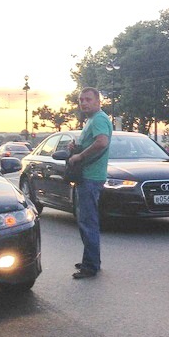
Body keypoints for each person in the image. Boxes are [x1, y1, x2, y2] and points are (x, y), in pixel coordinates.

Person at [68, 88, 112, 279]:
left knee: (88, 222)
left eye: (88, 99)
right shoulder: (92, 120)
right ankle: (91, 260)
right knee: (86, 221)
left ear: (98, 102)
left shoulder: (99, 119)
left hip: (90, 177)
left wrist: (80, 156)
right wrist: (76, 147)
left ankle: (90, 266)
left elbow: (102, 142)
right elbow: (94, 142)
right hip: (89, 177)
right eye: (81, 100)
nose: (84, 103)